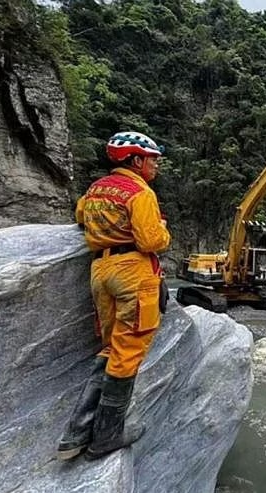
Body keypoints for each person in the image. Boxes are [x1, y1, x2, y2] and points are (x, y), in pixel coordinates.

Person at [57, 131, 171, 461]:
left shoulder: (95, 190)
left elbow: (80, 217)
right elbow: (152, 241)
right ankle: (105, 435)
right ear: (136, 161)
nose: (156, 166)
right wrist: (164, 229)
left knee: (111, 347)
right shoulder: (140, 192)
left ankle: (77, 432)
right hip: (132, 273)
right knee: (128, 351)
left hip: (101, 272)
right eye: (152, 160)